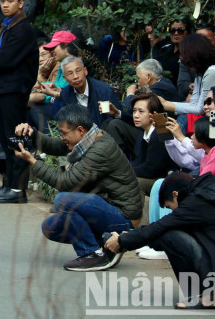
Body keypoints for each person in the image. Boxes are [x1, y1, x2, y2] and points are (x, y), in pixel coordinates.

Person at [14, 104, 144, 271]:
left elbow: (65, 182)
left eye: (64, 133)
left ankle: (93, 254)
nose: (61, 137)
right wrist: (31, 133)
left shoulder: (100, 149)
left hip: (124, 219)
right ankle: (105, 243)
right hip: (107, 207)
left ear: (80, 130)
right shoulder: (89, 138)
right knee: (50, 226)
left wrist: (33, 161)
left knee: (63, 199)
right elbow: (55, 145)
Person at [105, 172, 215, 310]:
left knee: (169, 235)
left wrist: (122, 241)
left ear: (175, 194)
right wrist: (128, 238)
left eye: (170, 206)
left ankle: (201, 296)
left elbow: (160, 227)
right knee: (165, 234)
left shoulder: (195, 202)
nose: (172, 211)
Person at [0, 0, 38, 204]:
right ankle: (9, 184)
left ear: (20, 3)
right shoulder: (7, 25)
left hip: (15, 89)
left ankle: (17, 189)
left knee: (16, 139)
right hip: (3, 88)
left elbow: (4, 61)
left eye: (10, 1)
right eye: (2, 1)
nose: (5, 5)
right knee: (7, 140)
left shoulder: (22, 29)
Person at [159, 34, 215, 124]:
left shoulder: (213, 72)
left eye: (183, 54)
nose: (181, 58)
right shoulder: (200, 74)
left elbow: (201, 109)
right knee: (185, 117)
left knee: (185, 118)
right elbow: (194, 104)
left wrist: (167, 105)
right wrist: (166, 104)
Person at [102, 59, 179, 158]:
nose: (138, 83)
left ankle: (118, 163)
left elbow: (131, 109)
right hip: (152, 131)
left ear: (148, 76)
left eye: (138, 78)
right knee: (108, 122)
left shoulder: (160, 88)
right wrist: (118, 113)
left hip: (160, 136)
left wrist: (129, 95)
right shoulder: (160, 84)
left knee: (114, 125)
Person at [50, 56, 122, 126]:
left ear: (85, 71)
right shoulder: (66, 94)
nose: (75, 76)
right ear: (65, 78)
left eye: (78, 71)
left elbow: (111, 120)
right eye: (70, 73)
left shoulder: (103, 91)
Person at [129, 93, 177, 195]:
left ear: (153, 114)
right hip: (154, 176)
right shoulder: (144, 131)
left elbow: (151, 170)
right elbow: (139, 161)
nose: (136, 115)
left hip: (165, 180)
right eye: (134, 111)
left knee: (135, 182)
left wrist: (124, 170)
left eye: (141, 111)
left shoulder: (161, 133)